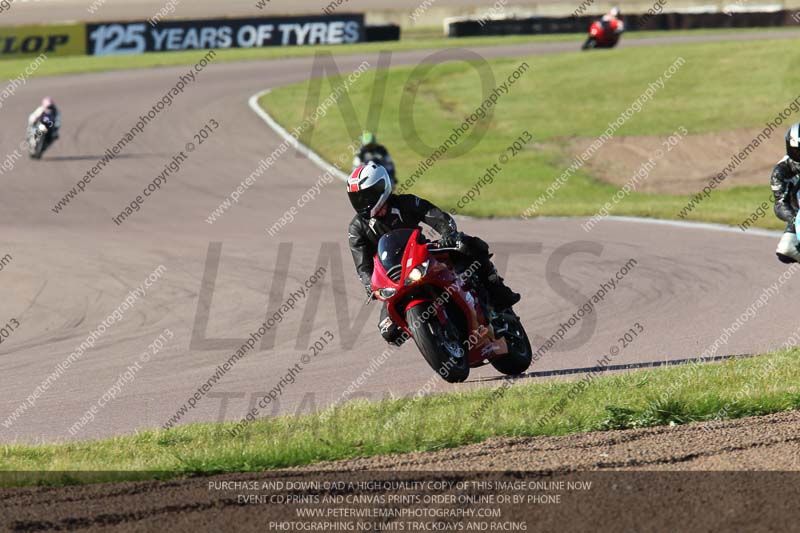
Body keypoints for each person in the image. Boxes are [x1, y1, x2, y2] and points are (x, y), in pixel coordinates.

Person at [347, 162, 520, 345]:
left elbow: (435, 215)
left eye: (366, 196)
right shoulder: (357, 228)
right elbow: (362, 265)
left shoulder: (405, 202)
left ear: (381, 187)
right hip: (395, 279)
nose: (362, 203)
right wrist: (369, 285)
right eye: (357, 198)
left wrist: (448, 234)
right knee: (388, 331)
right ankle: (433, 335)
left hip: (423, 255)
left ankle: (497, 299)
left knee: (469, 246)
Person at [773, 123, 800, 263]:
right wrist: (795, 219)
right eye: (799, 151)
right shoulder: (782, 170)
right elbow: (779, 204)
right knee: (786, 250)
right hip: (798, 214)